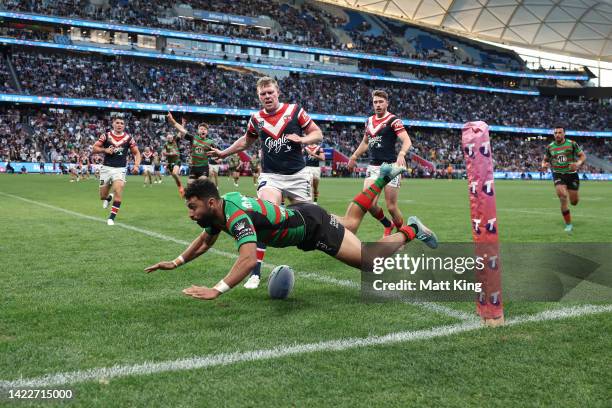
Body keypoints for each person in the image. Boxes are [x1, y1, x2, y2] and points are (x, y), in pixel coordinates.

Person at [145, 164, 437, 300]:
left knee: (369, 261)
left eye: (193, 207)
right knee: (350, 223)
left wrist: (217, 290)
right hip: (304, 215)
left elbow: (248, 260)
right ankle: (383, 178)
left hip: (312, 227)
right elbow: (205, 241)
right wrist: (177, 261)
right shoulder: (219, 210)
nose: (191, 214)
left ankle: (413, 229)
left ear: (210, 203)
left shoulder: (236, 215)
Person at [209, 76, 323, 289]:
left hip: (298, 176)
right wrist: (224, 153)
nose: (267, 96)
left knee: (314, 224)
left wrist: (303, 140)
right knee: (263, 216)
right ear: (258, 96)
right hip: (271, 177)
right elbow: (246, 141)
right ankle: (255, 272)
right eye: (263, 94)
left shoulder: (295, 111)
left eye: (270, 92)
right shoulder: (256, 118)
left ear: (277, 91)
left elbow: (317, 133)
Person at [348, 90, 413, 237]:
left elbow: (407, 141)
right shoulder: (369, 121)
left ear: (387, 103)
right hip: (373, 167)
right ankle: (387, 225)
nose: (378, 105)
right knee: (369, 203)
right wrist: (354, 155)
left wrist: (401, 154)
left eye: (381, 102)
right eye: (375, 102)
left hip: (391, 168)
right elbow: (366, 142)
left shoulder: (393, 120)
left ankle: (400, 232)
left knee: (391, 207)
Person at [92, 116, 141, 226]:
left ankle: (111, 218)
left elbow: (136, 153)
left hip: (120, 169)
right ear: (113, 124)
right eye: (117, 122)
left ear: (124, 126)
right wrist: (105, 150)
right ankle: (109, 197)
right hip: (106, 168)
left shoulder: (128, 138)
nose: (119, 125)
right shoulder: (106, 136)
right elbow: (94, 148)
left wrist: (136, 166)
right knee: (102, 196)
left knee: (119, 190)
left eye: (121, 123)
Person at [541, 126, 586, 232]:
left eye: (560, 132)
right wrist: (544, 164)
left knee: (574, 201)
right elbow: (545, 160)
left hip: (572, 175)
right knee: (562, 195)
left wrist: (578, 163)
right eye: (555, 133)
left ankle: (573, 199)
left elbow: (582, 156)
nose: (557, 134)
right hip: (558, 174)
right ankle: (568, 224)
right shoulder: (550, 147)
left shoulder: (572, 144)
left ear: (564, 134)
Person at [167, 112, 216, 185]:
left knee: (202, 182)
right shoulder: (193, 138)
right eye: (201, 129)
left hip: (204, 167)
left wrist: (216, 158)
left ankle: (209, 191)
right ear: (198, 131)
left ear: (207, 132)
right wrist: (172, 119)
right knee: (190, 185)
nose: (203, 130)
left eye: (205, 129)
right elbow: (181, 129)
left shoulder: (210, 142)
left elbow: (217, 153)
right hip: (194, 167)